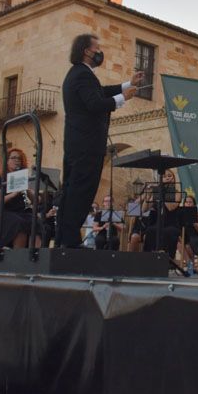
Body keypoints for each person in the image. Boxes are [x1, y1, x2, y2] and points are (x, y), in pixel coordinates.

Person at [55, 33, 142, 247]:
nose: (99, 52)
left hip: (78, 143)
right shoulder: (82, 75)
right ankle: (69, 242)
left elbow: (99, 91)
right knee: (81, 192)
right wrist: (124, 98)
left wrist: (126, 84)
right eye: (97, 48)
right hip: (86, 143)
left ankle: (66, 239)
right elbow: (95, 103)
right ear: (87, 51)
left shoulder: (79, 74)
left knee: (74, 191)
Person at [0, 148, 41, 248]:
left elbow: (37, 200)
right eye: (13, 158)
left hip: (22, 212)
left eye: (19, 158)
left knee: (36, 223)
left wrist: (27, 189)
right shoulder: (1, 179)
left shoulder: (24, 178)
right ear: (7, 161)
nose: (17, 160)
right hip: (4, 213)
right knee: (19, 223)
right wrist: (13, 194)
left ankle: (34, 256)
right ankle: (19, 256)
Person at [131, 169, 183, 253]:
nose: (167, 178)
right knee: (150, 230)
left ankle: (167, 258)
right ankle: (149, 256)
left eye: (170, 176)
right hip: (158, 223)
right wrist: (148, 195)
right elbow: (144, 209)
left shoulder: (177, 193)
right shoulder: (158, 192)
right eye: (164, 176)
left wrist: (162, 191)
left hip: (171, 224)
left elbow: (170, 207)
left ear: (174, 179)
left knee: (167, 232)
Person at [179, 195, 198, 272]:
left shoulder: (197, 213)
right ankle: (191, 265)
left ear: (194, 205)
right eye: (186, 202)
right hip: (183, 235)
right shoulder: (181, 212)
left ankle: (190, 265)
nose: (188, 204)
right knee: (178, 243)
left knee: (188, 246)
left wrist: (195, 222)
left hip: (193, 236)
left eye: (190, 202)